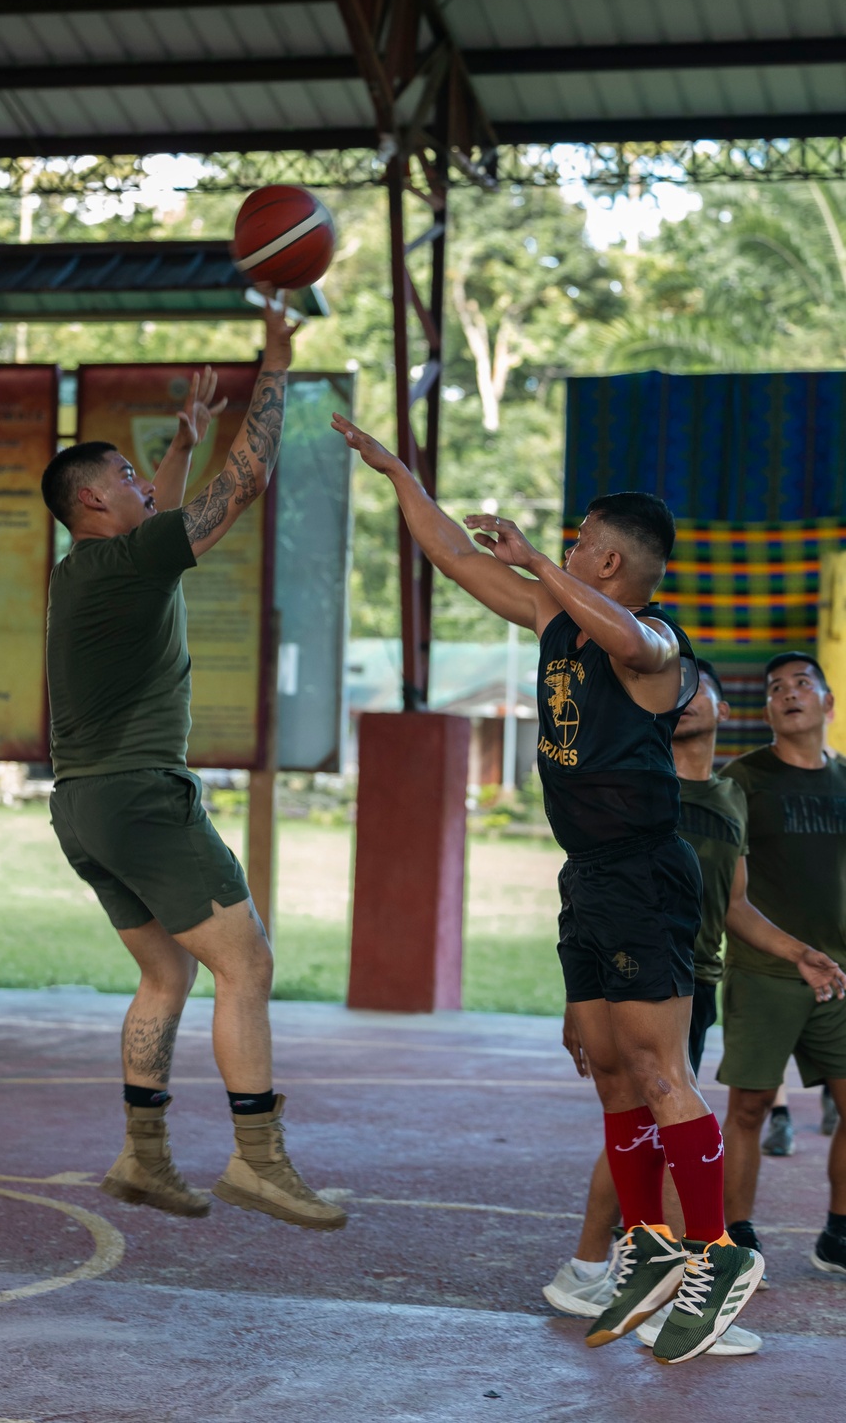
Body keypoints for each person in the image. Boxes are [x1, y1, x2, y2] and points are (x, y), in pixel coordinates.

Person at [331, 407, 762, 1364]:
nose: (559, 552)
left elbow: (628, 640)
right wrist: (399, 472)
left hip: (647, 875)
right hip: (590, 876)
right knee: (610, 1070)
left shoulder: (654, 643)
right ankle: (645, 1240)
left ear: (607, 560)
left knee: (662, 1072)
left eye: (576, 544)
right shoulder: (553, 612)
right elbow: (449, 554)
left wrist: (537, 562)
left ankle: (718, 1254)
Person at [41, 299, 346, 1232]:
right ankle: (258, 1161)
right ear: (94, 501)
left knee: (166, 976)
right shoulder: (126, 563)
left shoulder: (86, 569)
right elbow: (243, 485)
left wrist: (179, 444)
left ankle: (142, 1155)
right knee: (246, 964)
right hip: (141, 796)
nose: (143, 483)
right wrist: (277, 361)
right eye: (125, 475)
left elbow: (163, 511)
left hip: (83, 808)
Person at [544, 658, 846, 1352]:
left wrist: (794, 949)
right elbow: (589, 883)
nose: (680, 699)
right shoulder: (644, 790)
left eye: (694, 687)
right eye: (669, 692)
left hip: (693, 974)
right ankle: (666, 1287)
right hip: (641, 969)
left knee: (652, 1111)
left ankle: (602, 1270)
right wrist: (578, 996)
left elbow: (736, 902)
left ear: (720, 705)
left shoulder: (727, 797)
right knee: (650, 1103)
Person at [719, 653, 846, 1277]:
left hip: (839, 976)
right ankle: (737, 1235)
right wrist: (794, 952)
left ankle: (838, 1235)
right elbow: (729, 899)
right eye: (776, 689)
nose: (788, 693)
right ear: (767, 711)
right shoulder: (743, 781)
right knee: (748, 1108)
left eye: (802, 684)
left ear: (827, 704)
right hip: (766, 973)